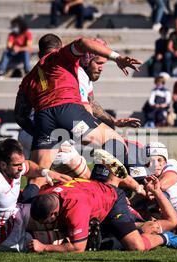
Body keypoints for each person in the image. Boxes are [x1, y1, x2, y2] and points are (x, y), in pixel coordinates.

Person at [15, 34, 145, 202]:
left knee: (37, 178)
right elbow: (84, 42)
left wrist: (42, 134)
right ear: (59, 47)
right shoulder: (59, 57)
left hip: (43, 120)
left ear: (40, 52)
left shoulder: (29, 78)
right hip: (68, 110)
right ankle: (106, 196)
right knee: (116, 142)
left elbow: (19, 115)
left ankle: (20, 214)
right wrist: (117, 58)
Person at [0, 138, 72, 254]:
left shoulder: (15, 167)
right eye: (17, 165)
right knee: (62, 240)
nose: (21, 168)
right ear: (3, 165)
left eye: (21, 163)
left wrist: (46, 172)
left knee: (54, 213)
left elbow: (28, 166)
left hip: (16, 214)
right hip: (2, 237)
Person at [28, 174, 177, 253]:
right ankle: (94, 234)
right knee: (138, 229)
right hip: (100, 206)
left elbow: (173, 221)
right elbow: (116, 177)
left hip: (110, 205)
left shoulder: (76, 207)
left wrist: (43, 248)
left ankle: (166, 239)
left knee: (137, 245)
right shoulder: (49, 195)